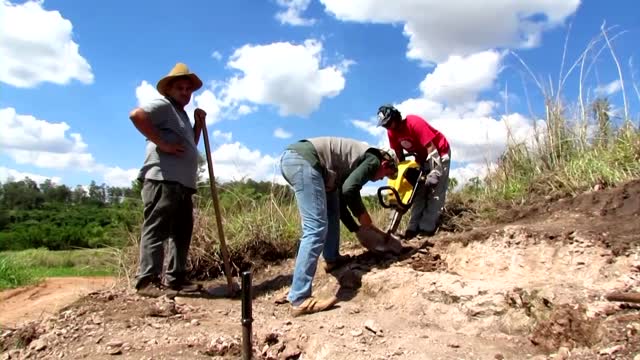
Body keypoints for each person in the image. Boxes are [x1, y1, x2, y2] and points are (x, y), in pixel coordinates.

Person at [279, 137, 398, 316]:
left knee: (333, 210)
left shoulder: (349, 168)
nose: (380, 179)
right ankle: (299, 298)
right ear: (385, 162)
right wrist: (364, 217)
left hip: (309, 165)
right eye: (385, 174)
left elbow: (342, 204)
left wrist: (357, 230)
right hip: (304, 161)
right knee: (315, 228)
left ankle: (332, 259)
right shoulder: (373, 159)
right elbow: (350, 189)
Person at [129, 62, 207, 297]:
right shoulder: (163, 105)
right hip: (163, 179)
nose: (185, 93)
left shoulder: (180, 114)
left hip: (182, 183)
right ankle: (147, 281)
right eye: (180, 88)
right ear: (169, 90)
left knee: (182, 231)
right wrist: (162, 144)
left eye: (188, 89)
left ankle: (176, 278)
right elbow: (137, 115)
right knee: (157, 227)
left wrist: (198, 126)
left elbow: (189, 145)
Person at [376, 104, 451, 239]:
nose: (388, 127)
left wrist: (435, 171)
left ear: (396, 117)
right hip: (420, 158)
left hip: (439, 152)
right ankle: (413, 228)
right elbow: (399, 154)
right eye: (385, 125)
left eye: (389, 123)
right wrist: (401, 176)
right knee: (417, 193)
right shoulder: (391, 132)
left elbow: (431, 147)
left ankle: (427, 228)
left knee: (435, 191)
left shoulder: (413, 122)